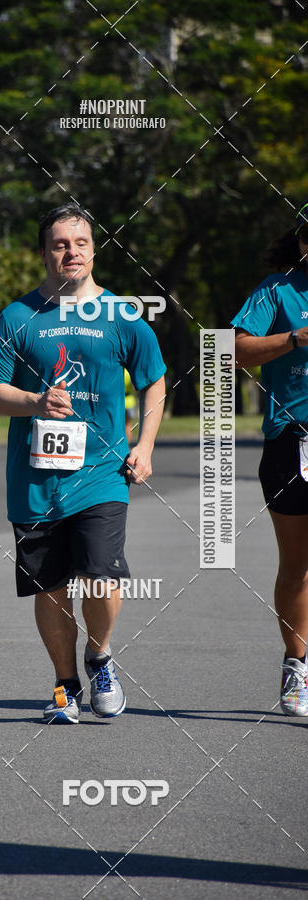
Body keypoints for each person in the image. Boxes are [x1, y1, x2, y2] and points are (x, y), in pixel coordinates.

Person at [0, 204, 166, 723]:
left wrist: (144, 445)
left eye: (79, 242)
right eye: (59, 244)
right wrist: (33, 402)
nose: (70, 252)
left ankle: (99, 655)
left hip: (102, 472)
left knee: (101, 577)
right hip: (34, 479)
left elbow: (153, 380)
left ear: (94, 249)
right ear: (44, 253)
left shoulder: (122, 315)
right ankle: (64, 683)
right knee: (51, 587)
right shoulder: (18, 317)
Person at [232, 202, 308, 717]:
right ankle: (297, 666)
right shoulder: (276, 290)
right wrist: (296, 339)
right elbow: (234, 349)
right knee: (298, 566)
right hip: (292, 441)